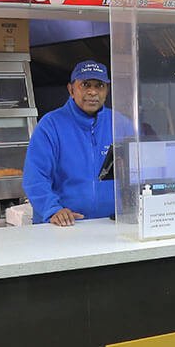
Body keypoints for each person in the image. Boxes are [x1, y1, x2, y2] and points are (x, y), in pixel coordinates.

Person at [23, 60, 125, 226]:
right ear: (71, 90)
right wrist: (52, 210)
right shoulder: (50, 125)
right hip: (64, 226)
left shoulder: (121, 123)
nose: (92, 92)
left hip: (111, 224)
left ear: (107, 90)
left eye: (99, 85)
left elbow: (139, 173)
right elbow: (35, 177)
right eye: (85, 85)